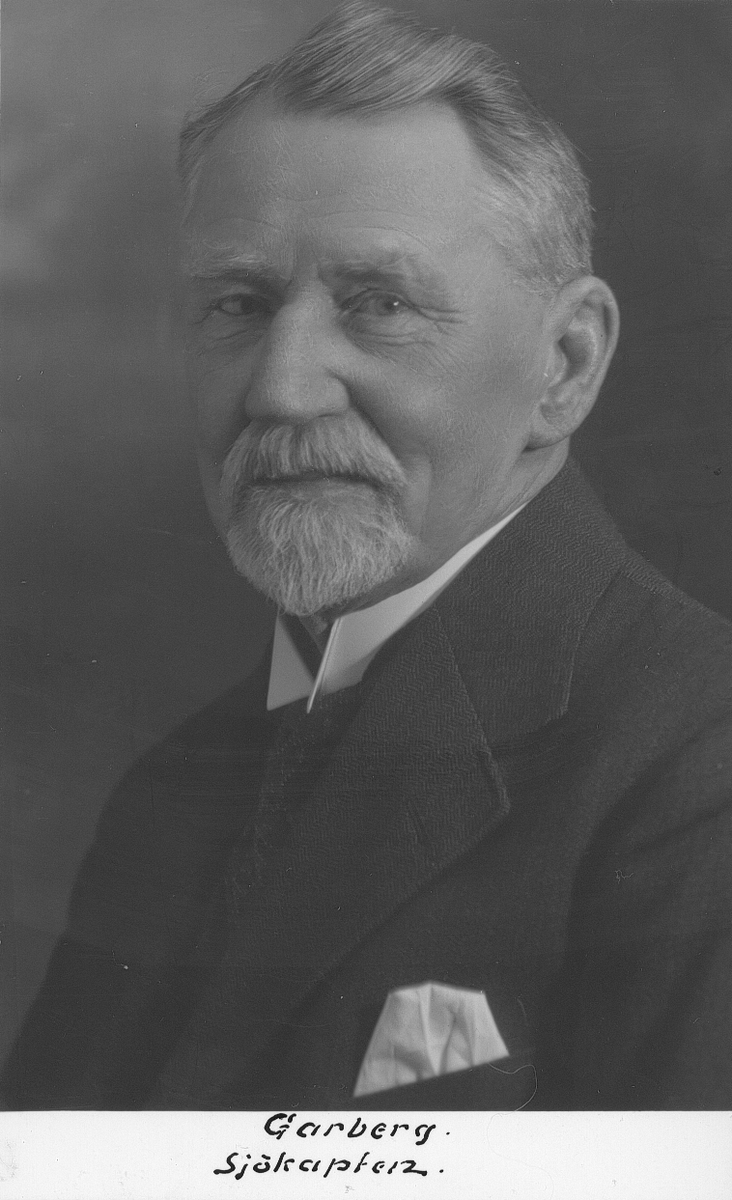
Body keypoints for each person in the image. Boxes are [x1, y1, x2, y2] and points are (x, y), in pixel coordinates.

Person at [3, 1, 731, 1111]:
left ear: (566, 365)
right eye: (238, 304)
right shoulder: (170, 793)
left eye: (380, 303)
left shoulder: (694, 774)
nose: (282, 387)